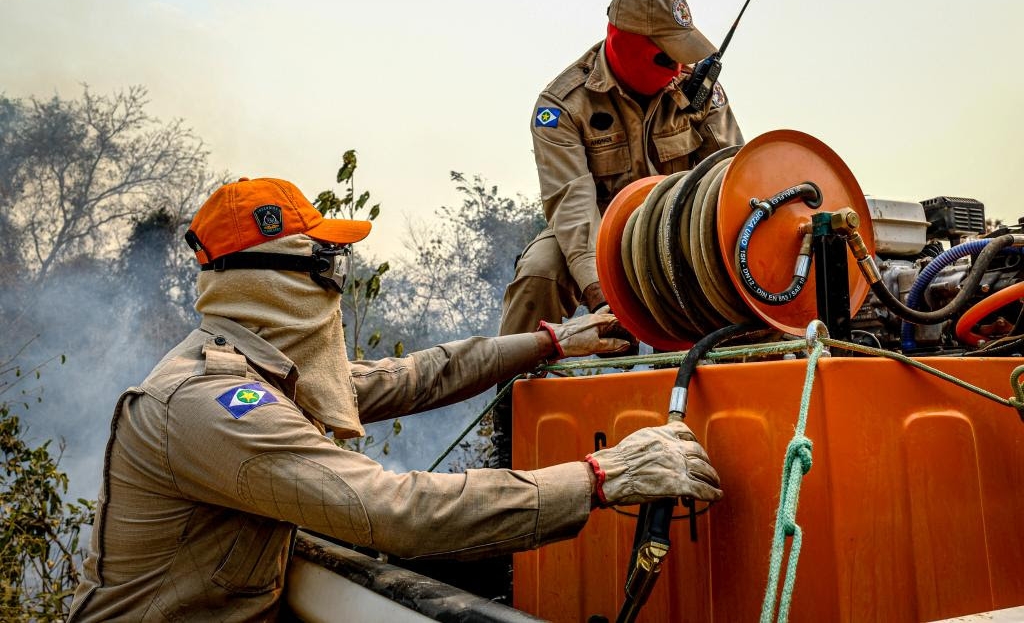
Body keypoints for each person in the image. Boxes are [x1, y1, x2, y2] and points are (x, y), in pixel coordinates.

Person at [67, 176, 723, 620]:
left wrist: (551, 340)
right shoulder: (215, 404)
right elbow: (392, 510)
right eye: (329, 263)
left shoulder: (259, 368)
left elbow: (416, 376)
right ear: (283, 281)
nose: (338, 283)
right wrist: (600, 477)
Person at [499, 0, 744, 338]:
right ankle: (513, 390)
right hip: (597, 232)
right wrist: (601, 295)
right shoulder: (562, 106)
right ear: (624, 42)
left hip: (679, 227)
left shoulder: (699, 91)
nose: (679, 67)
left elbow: (731, 181)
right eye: (667, 55)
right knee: (540, 272)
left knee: (740, 268)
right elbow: (572, 207)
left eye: (683, 54)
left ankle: (743, 378)